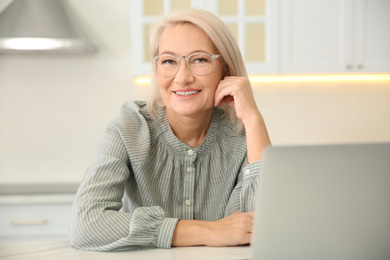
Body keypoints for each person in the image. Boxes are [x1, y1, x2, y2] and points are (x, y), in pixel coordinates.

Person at [68, 8, 271, 251]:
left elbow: (263, 227)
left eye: (199, 59)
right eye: (168, 61)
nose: (182, 77)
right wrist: (206, 231)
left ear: (225, 70)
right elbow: (85, 224)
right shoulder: (130, 126)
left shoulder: (242, 136)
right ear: (156, 70)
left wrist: (254, 119)